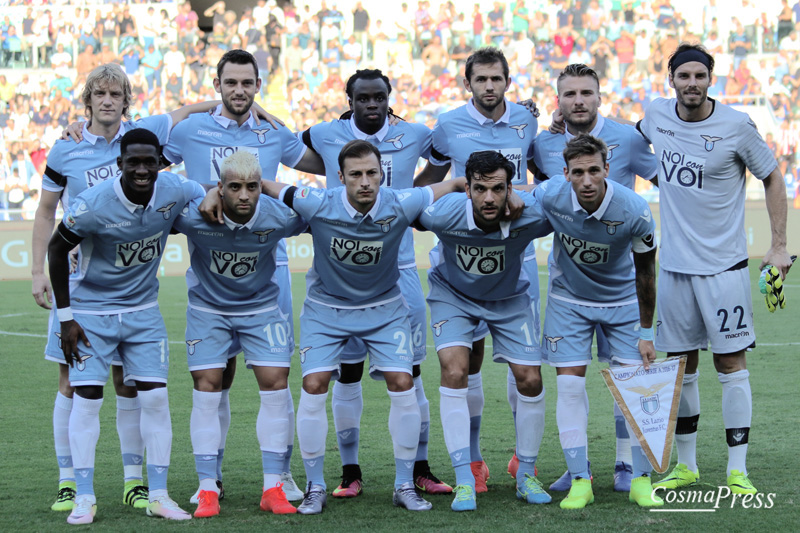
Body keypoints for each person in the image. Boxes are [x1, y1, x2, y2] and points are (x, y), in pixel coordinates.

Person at [31, 63, 223, 514]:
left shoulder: (145, 139)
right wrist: (41, 274)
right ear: (88, 99)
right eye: (100, 93)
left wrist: (241, 106)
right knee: (75, 386)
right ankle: (71, 485)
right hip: (82, 291)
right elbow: (47, 216)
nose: (108, 100)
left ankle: (141, 486)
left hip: (138, 301)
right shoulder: (67, 148)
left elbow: (181, 114)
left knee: (137, 388)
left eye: (116, 94)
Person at [258, 140, 465, 515]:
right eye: (356, 175)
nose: (365, 182)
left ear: (382, 175)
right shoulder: (318, 202)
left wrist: (465, 183)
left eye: (372, 173)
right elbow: (273, 187)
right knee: (314, 384)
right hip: (326, 310)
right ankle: (315, 486)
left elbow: (447, 185)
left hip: (385, 309)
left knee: (403, 383)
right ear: (340, 178)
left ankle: (404, 484)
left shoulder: (401, 202)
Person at [162, 49, 322, 503]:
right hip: (210, 272)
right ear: (217, 84)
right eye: (230, 83)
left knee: (276, 377)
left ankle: (282, 474)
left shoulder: (273, 133)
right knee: (217, 376)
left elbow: (321, 163)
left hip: (266, 271)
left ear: (257, 85)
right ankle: (211, 478)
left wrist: (275, 119)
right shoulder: (191, 130)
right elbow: (141, 160)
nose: (238, 91)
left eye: (247, 83)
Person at [636, 44, 792, 495]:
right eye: (683, 76)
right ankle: (687, 467)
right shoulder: (656, 114)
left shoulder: (737, 126)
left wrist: (778, 244)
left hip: (724, 269)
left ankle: (737, 469)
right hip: (675, 270)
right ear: (671, 80)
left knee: (730, 363)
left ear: (711, 79)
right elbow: (630, 138)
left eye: (699, 76)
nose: (691, 84)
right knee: (681, 365)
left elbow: (774, 177)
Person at [300, 69, 451, 497]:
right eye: (362, 97)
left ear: (389, 97)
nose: (371, 104)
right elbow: (291, 149)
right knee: (346, 374)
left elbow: (442, 163)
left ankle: (419, 468)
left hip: (400, 272)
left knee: (412, 374)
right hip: (344, 274)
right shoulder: (325, 134)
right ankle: (351, 472)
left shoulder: (415, 133)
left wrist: (408, 194)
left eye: (379, 97)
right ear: (348, 100)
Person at [48, 128, 205, 524]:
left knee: (154, 398)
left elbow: (201, 192)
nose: (140, 169)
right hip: (91, 314)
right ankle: (84, 496)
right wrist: (66, 319)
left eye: (148, 161)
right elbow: (56, 247)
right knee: (87, 399)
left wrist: (213, 198)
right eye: (132, 161)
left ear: (159, 163)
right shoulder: (93, 204)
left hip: (143, 311)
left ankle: (159, 494)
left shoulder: (173, 190)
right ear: (118, 164)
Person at [527, 63, 658, 493]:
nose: (578, 100)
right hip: (570, 293)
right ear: (559, 102)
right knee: (569, 384)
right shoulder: (544, 146)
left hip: (621, 292)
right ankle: (578, 469)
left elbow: (667, 183)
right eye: (570, 94)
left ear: (600, 96)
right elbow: (524, 197)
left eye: (587, 92)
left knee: (631, 385)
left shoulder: (629, 143)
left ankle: (627, 466)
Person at [415, 47, 539, 493]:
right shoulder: (446, 126)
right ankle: (473, 461)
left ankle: (523, 463)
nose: (489, 86)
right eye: (481, 80)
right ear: (468, 83)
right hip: (463, 263)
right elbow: (425, 179)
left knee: (523, 367)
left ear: (508, 81)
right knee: (467, 363)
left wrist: (522, 192)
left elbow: (541, 170)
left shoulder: (528, 121)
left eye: (497, 79)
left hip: (516, 263)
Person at [415, 150, 552, 511]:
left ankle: (525, 473)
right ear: (468, 189)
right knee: (455, 370)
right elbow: (409, 204)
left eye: (497, 189)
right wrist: (454, 183)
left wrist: (525, 191)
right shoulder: (443, 214)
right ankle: (464, 478)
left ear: (510, 188)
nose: (488, 198)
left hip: (509, 298)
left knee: (531, 379)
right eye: (479, 189)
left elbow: (565, 196)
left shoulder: (533, 215)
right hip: (453, 296)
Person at [173, 151, 307, 517]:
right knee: (206, 386)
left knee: (276, 384)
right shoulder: (193, 216)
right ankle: (207, 489)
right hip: (208, 310)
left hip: (262, 309)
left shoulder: (278, 215)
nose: (244, 195)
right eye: (234, 187)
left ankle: (273, 488)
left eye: (252, 187)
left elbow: (324, 213)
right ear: (220, 188)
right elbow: (147, 215)